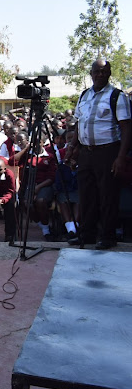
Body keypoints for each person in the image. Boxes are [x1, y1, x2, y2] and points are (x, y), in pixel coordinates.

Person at [65, 59, 131, 249]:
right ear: (91, 73)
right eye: (97, 71)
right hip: (86, 152)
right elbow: (79, 124)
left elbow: (126, 128)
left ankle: (107, 236)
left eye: (105, 71)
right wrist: (72, 147)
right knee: (87, 195)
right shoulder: (84, 95)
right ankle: (87, 235)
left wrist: (120, 157)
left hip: (108, 151)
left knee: (108, 196)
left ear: (109, 73)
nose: (100, 74)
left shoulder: (117, 96)